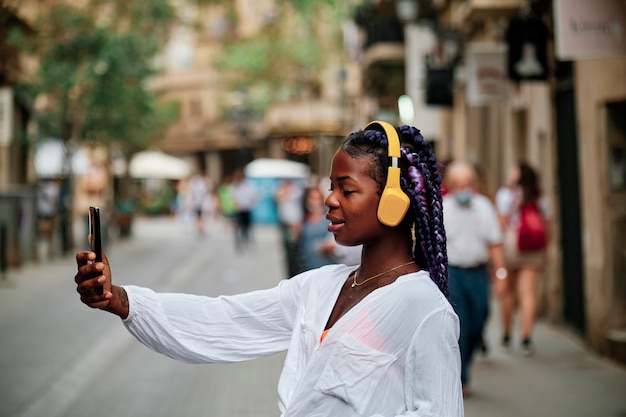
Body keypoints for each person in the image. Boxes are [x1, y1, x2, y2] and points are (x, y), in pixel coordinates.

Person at [74, 121, 463, 416]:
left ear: (394, 202)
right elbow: (226, 319)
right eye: (331, 185)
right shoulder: (319, 287)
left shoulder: (425, 310)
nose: (329, 199)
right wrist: (119, 299)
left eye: (347, 189)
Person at [442, 161, 507, 396]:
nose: (463, 189)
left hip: (479, 273)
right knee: (461, 323)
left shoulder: (484, 207)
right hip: (453, 273)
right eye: (458, 184)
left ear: (474, 184)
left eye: (467, 184)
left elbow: (495, 244)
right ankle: (461, 378)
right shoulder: (443, 208)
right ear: (450, 185)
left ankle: (466, 360)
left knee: (479, 319)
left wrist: (501, 275)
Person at [495, 162, 549, 356]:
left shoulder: (505, 195)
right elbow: (546, 226)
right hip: (533, 248)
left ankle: (507, 335)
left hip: (511, 243)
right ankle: (526, 338)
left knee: (507, 291)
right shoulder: (540, 197)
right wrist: (546, 250)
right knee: (528, 293)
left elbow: (500, 223)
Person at [230, 169, 259, 250]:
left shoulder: (248, 185)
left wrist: (251, 204)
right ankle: (240, 239)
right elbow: (232, 196)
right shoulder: (234, 185)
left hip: (246, 208)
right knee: (239, 225)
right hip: (238, 209)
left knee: (246, 225)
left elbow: (253, 195)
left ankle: (246, 238)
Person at [186, 170, 214, 235]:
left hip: (202, 201)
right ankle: (199, 227)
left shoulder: (206, 181)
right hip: (197, 201)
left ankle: (201, 227)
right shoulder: (195, 181)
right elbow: (192, 192)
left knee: (203, 215)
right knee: (198, 215)